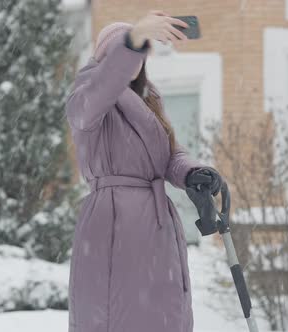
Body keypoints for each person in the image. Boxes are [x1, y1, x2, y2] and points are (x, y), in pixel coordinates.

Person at [65, 10, 224, 332]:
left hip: (156, 220)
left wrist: (193, 172)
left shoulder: (148, 98)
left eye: (142, 51)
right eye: (128, 50)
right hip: (114, 219)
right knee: (117, 309)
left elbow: (168, 154)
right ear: (109, 58)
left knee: (160, 309)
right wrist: (133, 38)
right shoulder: (88, 95)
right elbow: (91, 102)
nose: (137, 57)